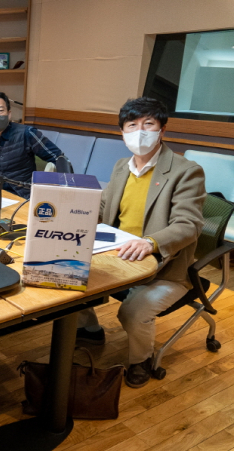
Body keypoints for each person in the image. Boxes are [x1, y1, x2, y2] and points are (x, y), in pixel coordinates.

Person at [76, 97, 206, 388]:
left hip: (164, 268)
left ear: (162, 129)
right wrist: (73, 215)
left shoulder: (186, 171)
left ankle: (141, 360)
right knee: (69, 274)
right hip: (118, 256)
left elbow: (189, 225)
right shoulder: (121, 166)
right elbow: (103, 207)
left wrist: (150, 242)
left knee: (132, 312)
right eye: (131, 125)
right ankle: (90, 330)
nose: (139, 132)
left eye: (148, 124)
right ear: (122, 133)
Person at [0, 92, 62, 199]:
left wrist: (47, 189)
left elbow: (59, 158)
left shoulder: (27, 133)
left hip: (24, 197)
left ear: (9, 114)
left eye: (0, 111)